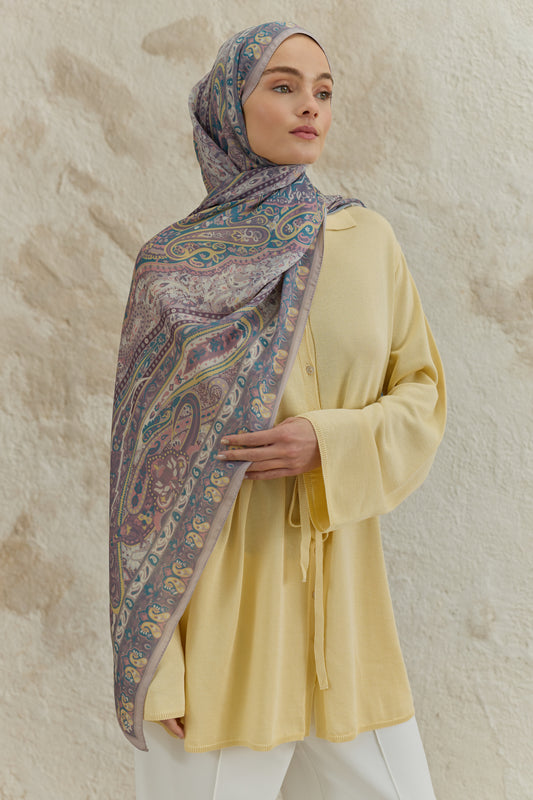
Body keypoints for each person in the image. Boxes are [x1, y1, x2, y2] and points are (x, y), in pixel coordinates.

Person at [109, 21, 446, 800]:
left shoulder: (366, 241)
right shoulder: (171, 269)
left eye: (323, 91)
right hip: (218, 634)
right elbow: (139, 493)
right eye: (283, 85)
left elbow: (422, 393)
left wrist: (327, 442)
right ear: (229, 106)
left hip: (345, 627)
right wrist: (160, 667)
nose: (309, 106)